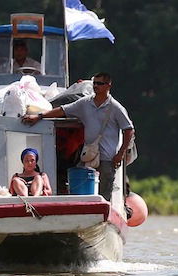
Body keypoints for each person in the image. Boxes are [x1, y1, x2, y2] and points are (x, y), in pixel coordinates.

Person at [22, 73, 134, 201]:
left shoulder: (115, 107)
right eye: (94, 83)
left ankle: (104, 211)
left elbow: (129, 130)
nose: (96, 86)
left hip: (107, 158)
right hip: (88, 157)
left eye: (100, 83)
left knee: (104, 194)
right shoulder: (86, 103)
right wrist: (39, 117)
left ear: (108, 86)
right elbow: (63, 110)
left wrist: (120, 154)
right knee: (81, 185)